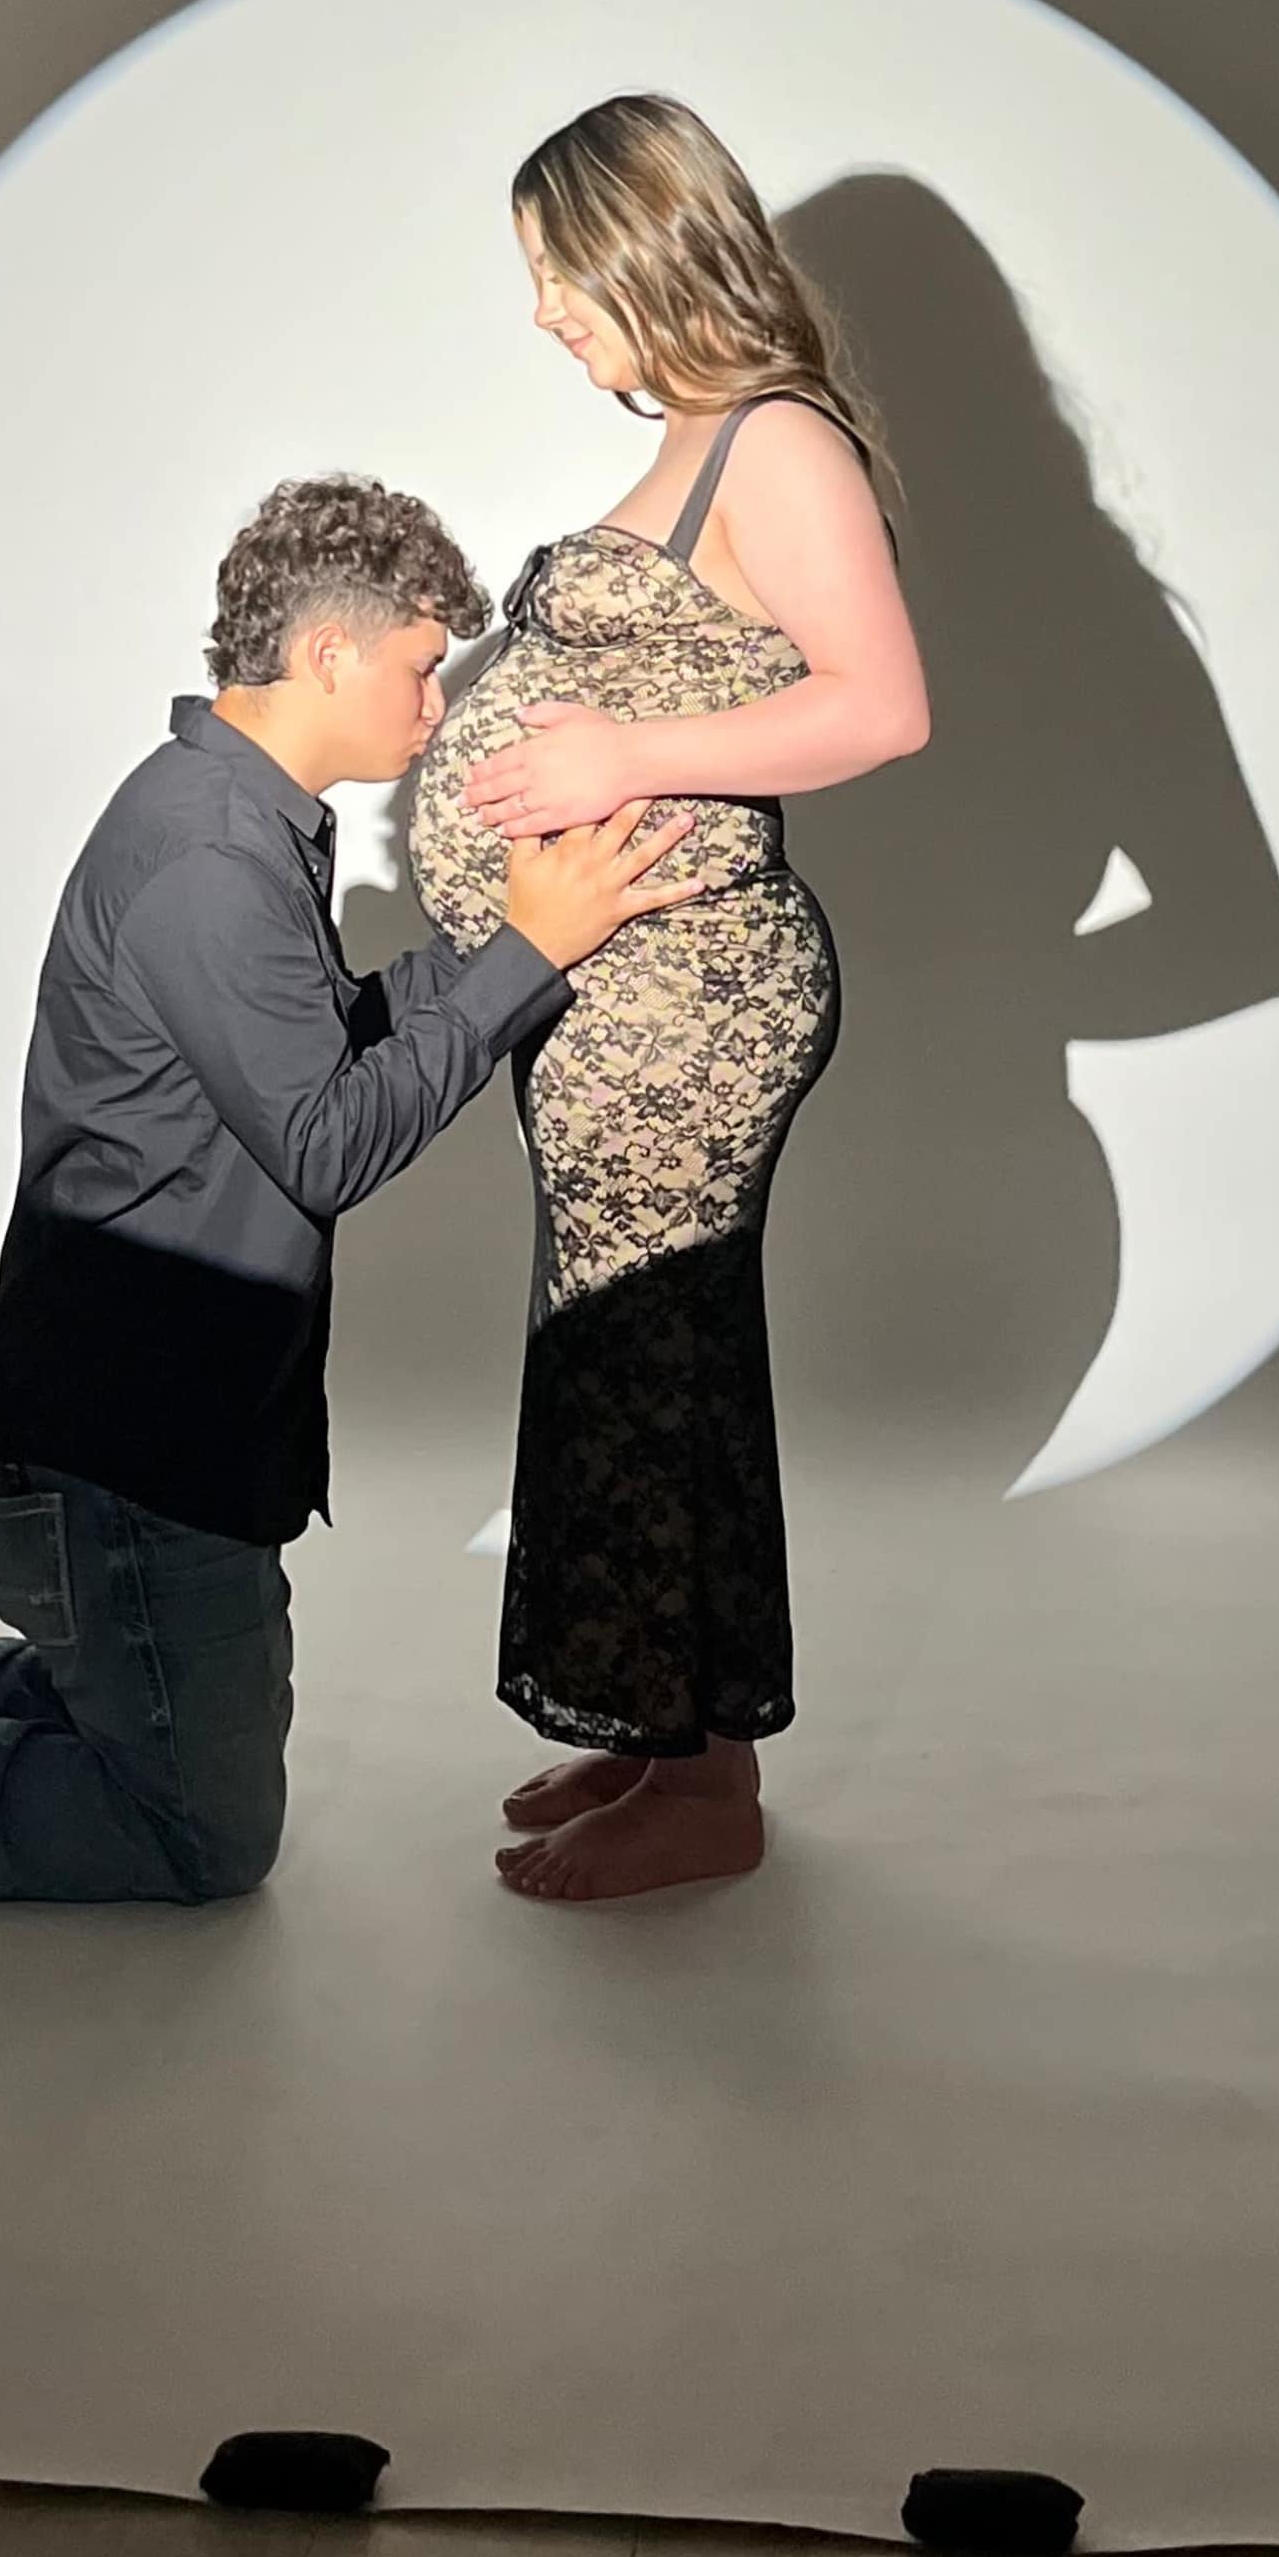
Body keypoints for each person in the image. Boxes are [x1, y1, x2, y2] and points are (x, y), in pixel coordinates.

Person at [0, 474, 695, 1896]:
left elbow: (317, 1033)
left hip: (141, 1435)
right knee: (196, 1834)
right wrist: (528, 958)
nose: (434, 706)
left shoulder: (237, 815)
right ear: (329, 653)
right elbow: (330, 1142)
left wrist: (514, 944)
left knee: (143, 1731)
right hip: (115, 1463)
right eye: (420, 666)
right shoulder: (211, 858)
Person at [408, 94, 930, 1903]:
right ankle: (656, 1736)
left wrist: (621, 750)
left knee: (661, 1367)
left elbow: (879, 706)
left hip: (696, 997)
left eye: (559, 271)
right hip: (618, 992)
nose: (545, 314)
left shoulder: (778, 442)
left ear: (646, 246)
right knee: (627, 1360)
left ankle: (710, 1792)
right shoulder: (707, 437)